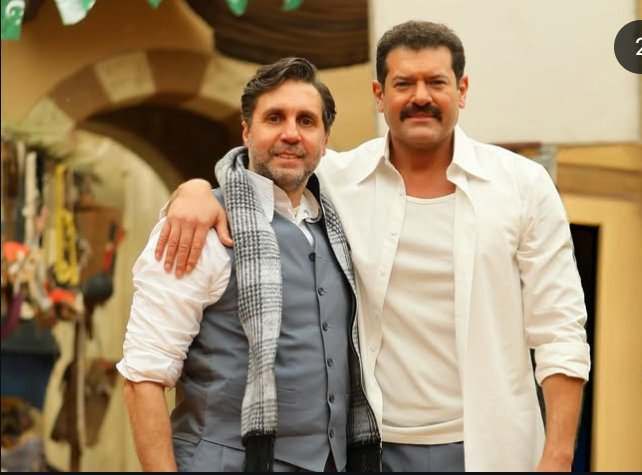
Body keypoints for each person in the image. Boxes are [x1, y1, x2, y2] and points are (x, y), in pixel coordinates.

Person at [157, 21, 591, 472]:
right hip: (372, 450)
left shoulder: (522, 186)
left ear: (461, 90)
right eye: (403, 84)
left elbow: (559, 329)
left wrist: (558, 456)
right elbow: (261, 172)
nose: (420, 96)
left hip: (494, 445)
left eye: (436, 82)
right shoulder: (337, 180)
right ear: (379, 96)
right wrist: (195, 192)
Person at [117, 57, 381, 472]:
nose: (291, 133)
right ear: (246, 131)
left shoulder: (339, 223)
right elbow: (143, 377)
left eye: (306, 121)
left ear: (325, 139)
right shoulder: (200, 226)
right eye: (274, 118)